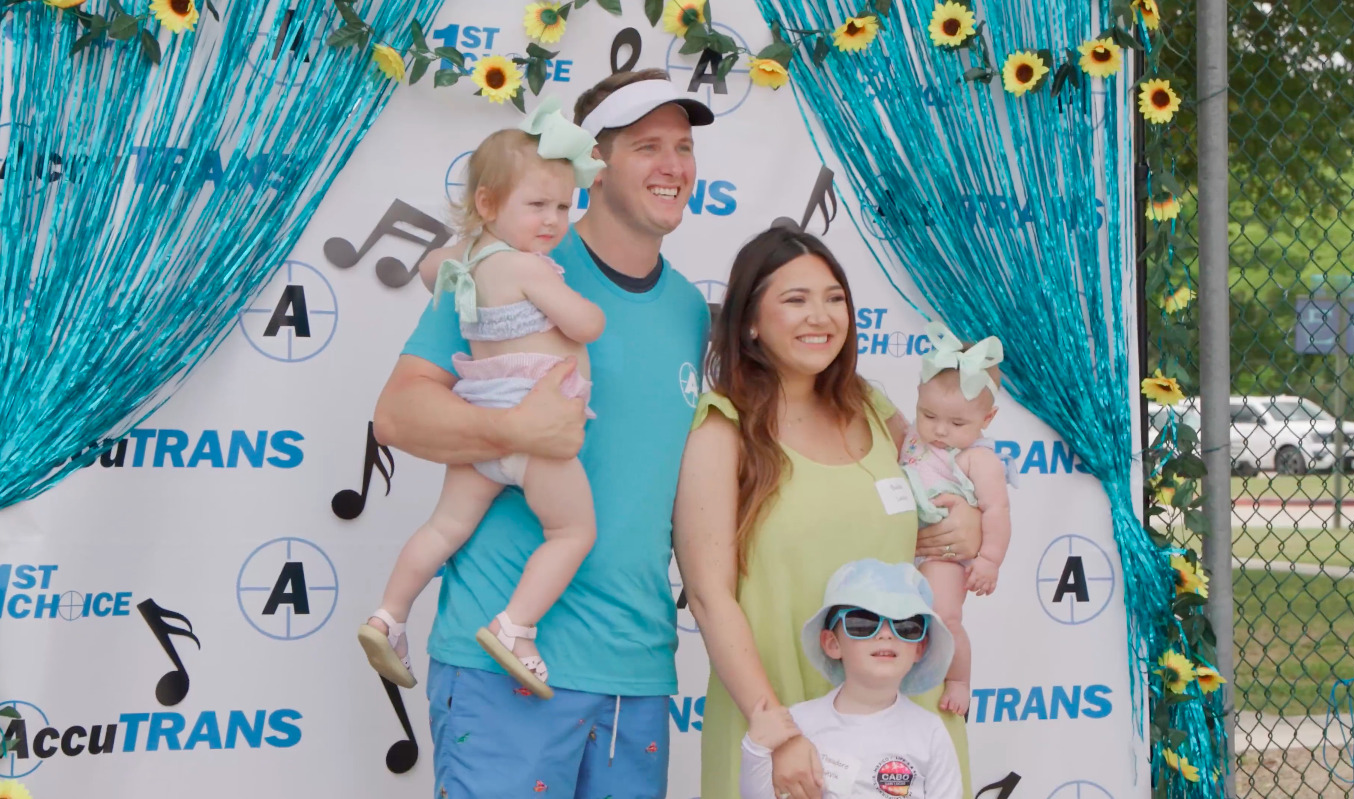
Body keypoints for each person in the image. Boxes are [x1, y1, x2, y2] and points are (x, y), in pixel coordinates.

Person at [372, 70, 713, 799]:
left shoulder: (690, 308)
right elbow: (397, 414)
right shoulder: (500, 266)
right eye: (647, 146)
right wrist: (514, 427)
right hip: (502, 671)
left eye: (682, 147)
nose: (673, 167)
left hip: (637, 673)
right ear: (593, 162)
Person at [674, 226, 982, 799]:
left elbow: (947, 483)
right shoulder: (725, 427)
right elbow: (709, 597)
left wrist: (968, 518)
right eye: (795, 300)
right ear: (750, 322)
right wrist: (776, 729)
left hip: (902, 728)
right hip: (782, 732)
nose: (821, 316)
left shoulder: (871, 406)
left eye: (834, 298)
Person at [357, 99, 607, 698]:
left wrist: (462, 254)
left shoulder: (463, 261)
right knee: (572, 532)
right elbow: (587, 324)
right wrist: (581, 302)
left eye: (564, 207)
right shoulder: (531, 268)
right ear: (489, 205)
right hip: (539, 432)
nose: (552, 221)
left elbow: (426, 268)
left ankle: (387, 616)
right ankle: (515, 627)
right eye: (537, 205)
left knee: (445, 528)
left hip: (483, 427)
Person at [739, 559, 963, 799]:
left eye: (906, 626)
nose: (886, 634)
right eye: (862, 623)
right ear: (832, 644)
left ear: (919, 648)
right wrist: (756, 749)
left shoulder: (929, 732)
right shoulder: (799, 723)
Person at [901, 322, 1011, 716]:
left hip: (945, 556)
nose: (940, 431)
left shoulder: (978, 459)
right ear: (917, 398)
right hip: (903, 548)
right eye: (928, 415)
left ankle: (959, 678)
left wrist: (989, 560)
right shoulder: (912, 438)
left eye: (958, 423)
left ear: (988, 417)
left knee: (944, 617)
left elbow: (996, 511)